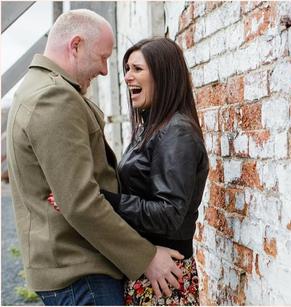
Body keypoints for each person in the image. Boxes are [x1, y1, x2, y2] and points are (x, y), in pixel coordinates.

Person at [6, 9, 183, 306]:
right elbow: (80, 202)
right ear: (76, 45)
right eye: (102, 57)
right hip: (82, 273)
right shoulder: (54, 98)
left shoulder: (36, 89)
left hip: (74, 271)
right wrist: (147, 257)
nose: (104, 70)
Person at [50, 37, 209, 305]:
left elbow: (169, 214)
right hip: (149, 269)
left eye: (137, 69)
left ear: (163, 74)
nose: (127, 77)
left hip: (164, 278)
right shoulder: (151, 128)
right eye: (127, 69)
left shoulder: (177, 133)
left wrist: (102, 200)